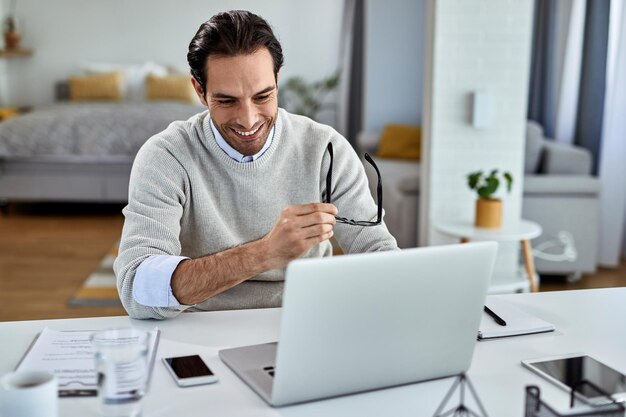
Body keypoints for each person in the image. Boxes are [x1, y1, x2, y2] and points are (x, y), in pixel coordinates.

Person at [114, 10, 398, 320]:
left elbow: (375, 249)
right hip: (199, 327)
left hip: (304, 323)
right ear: (199, 90)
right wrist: (264, 253)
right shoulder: (166, 157)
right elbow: (136, 289)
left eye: (263, 96)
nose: (248, 120)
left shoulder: (325, 149)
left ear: (277, 80)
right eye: (226, 101)